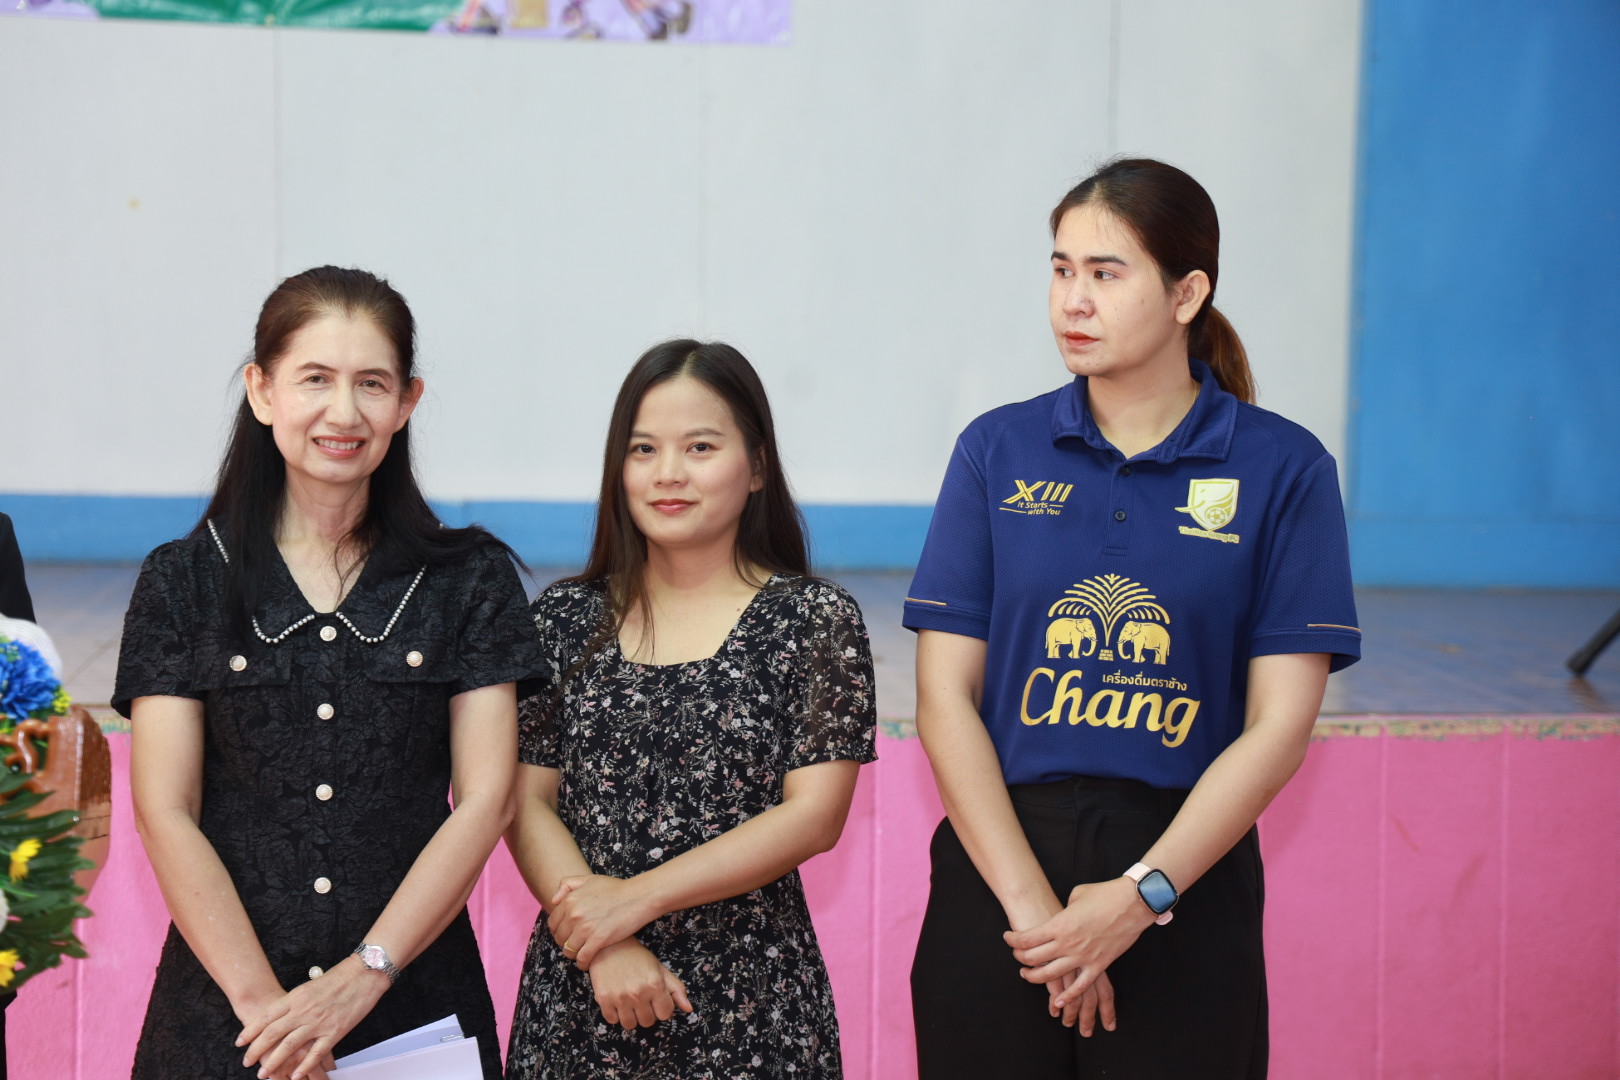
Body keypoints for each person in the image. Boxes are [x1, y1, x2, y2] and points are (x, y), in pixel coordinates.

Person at [904, 158, 1362, 1079]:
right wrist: (1039, 919)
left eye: (1106, 274)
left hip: (1183, 881)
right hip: (1001, 879)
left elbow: (1279, 726)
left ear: (1188, 293)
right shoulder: (996, 450)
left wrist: (1137, 897)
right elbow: (944, 699)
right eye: (1061, 269)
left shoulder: (1285, 468)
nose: (1073, 300)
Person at [114, 266, 542, 1080]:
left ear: (407, 402)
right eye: (315, 378)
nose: (343, 413)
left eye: (371, 383)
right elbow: (165, 810)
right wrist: (267, 1014)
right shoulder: (182, 579)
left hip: (414, 1012)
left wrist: (364, 977)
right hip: (227, 1018)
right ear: (262, 390)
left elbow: (487, 799)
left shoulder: (470, 579)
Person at [504, 340, 876, 1079]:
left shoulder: (814, 619)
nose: (668, 473)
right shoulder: (561, 620)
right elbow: (525, 802)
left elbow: (815, 816)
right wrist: (607, 944)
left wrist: (632, 903)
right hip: (583, 992)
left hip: (753, 1005)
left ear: (757, 466)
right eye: (643, 449)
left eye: (700, 447)